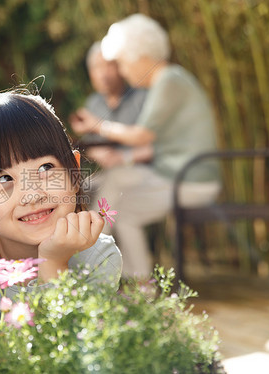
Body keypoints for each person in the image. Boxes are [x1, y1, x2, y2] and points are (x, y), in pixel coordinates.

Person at [0, 90, 122, 319]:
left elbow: (80, 347)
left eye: (45, 168)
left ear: (74, 173)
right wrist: (52, 264)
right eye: (3, 179)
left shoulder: (99, 254)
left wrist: (54, 263)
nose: (32, 194)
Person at [71, 14, 220, 278]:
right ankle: (141, 285)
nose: (124, 71)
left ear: (140, 56)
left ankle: (86, 263)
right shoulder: (170, 80)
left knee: (115, 183)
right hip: (176, 175)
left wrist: (97, 125)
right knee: (124, 212)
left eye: (123, 63)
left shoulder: (169, 80)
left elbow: (142, 136)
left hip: (190, 179)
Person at [70, 41, 148, 169]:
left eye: (109, 65)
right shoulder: (93, 104)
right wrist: (98, 154)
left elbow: (158, 145)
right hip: (109, 177)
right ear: (90, 73)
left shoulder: (142, 97)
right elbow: (88, 146)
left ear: (121, 67)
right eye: (97, 67)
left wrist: (123, 157)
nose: (103, 74)